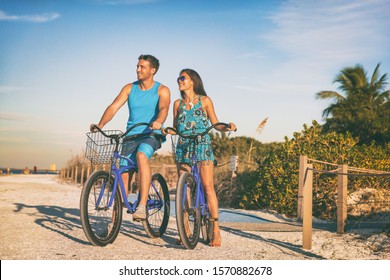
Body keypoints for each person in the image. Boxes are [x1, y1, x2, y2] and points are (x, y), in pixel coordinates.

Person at [90, 54, 171, 220]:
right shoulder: (129, 88)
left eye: (142, 67)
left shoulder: (162, 89)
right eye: (137, 66)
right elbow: (114, 107)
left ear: (152, 70)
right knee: (123, 173)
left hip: (150, 134)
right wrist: (101, 124)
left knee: (142, 156)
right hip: (130, 136)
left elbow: (164, 108)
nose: (138, 70)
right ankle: (115, 219)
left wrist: (158, 122)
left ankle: (141, 206)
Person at [164, 69, 236, 247]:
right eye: (178, 78)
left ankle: (216, 229)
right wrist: (166, 130)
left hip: (202, 145)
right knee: (184, 190)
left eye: (183, 78)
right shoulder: (177, 104)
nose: (179, 81)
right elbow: (176, 128)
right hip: (183, 147)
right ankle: (185, 229)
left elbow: (216, 124)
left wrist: (228, 127)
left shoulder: (205, 100)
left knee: (208, 187)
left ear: (193, 81)